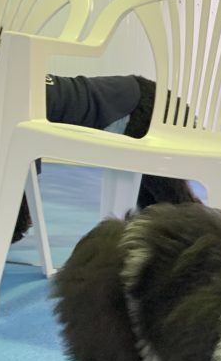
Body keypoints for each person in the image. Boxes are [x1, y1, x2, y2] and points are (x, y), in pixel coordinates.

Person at [11, 72, 200, 242]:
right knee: (155, 197)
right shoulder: (23, 89)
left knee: (170, 195)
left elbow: (20, 165)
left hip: (140, 106)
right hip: (139, 96)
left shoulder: (16, 98)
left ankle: (199, 233)